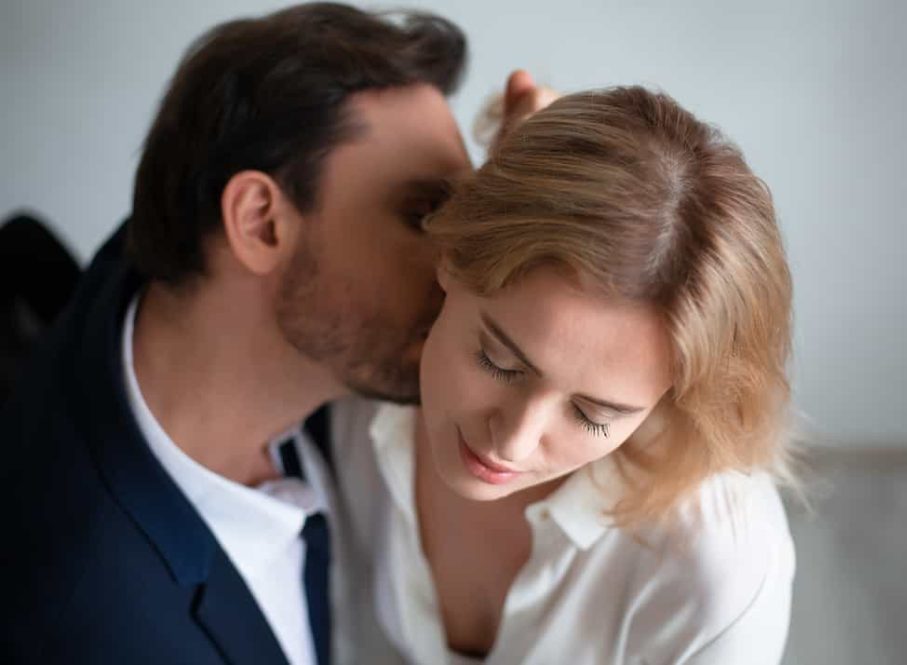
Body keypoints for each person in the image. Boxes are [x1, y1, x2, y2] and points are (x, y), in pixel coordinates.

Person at [0, 4, 549, 664]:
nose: (465, 272)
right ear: (260, 223)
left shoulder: (181, 277)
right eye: (424, 214)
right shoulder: (94, 622)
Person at [328, 86, 797, 664]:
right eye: (499, 361)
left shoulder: (713, 572)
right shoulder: (351, 391)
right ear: (450, 257)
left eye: (594, 414)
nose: (513, 441)